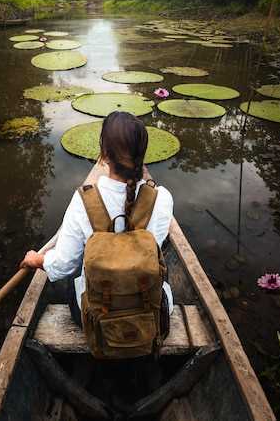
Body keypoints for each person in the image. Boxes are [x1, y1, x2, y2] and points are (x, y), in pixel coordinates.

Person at [20, 111, 174, 327]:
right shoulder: (163, 198)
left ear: (103, 153)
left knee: (74, 275)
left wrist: (36, 259)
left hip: (97, 317)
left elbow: (64, 265)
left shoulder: (83, 202)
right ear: (142, 154)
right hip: (150, 312)